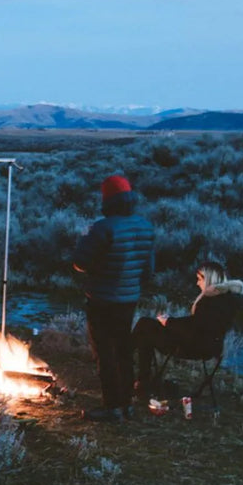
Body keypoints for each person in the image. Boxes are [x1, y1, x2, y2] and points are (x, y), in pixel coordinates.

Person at [73, 175, 155, 422]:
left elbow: (80, 262)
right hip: (128, 299)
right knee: (123, 350)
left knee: (105, 353)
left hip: (101, 299)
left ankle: (112, 408)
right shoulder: (145, 226)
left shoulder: (103, 228)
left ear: (107, 200)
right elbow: (148, 270)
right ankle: (127, 404)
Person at [132, 261, 243, 396]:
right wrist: (169, 321)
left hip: (191, 348)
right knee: (146, 325)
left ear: (209, 279)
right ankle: (138, 376)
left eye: (199, 279)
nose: (197, 283)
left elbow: (193, 331)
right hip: (211, 348)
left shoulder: (209, 301)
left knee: (145, 328)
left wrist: (168, 322)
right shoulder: (228, 300)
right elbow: (198, 324)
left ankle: (136, 375)